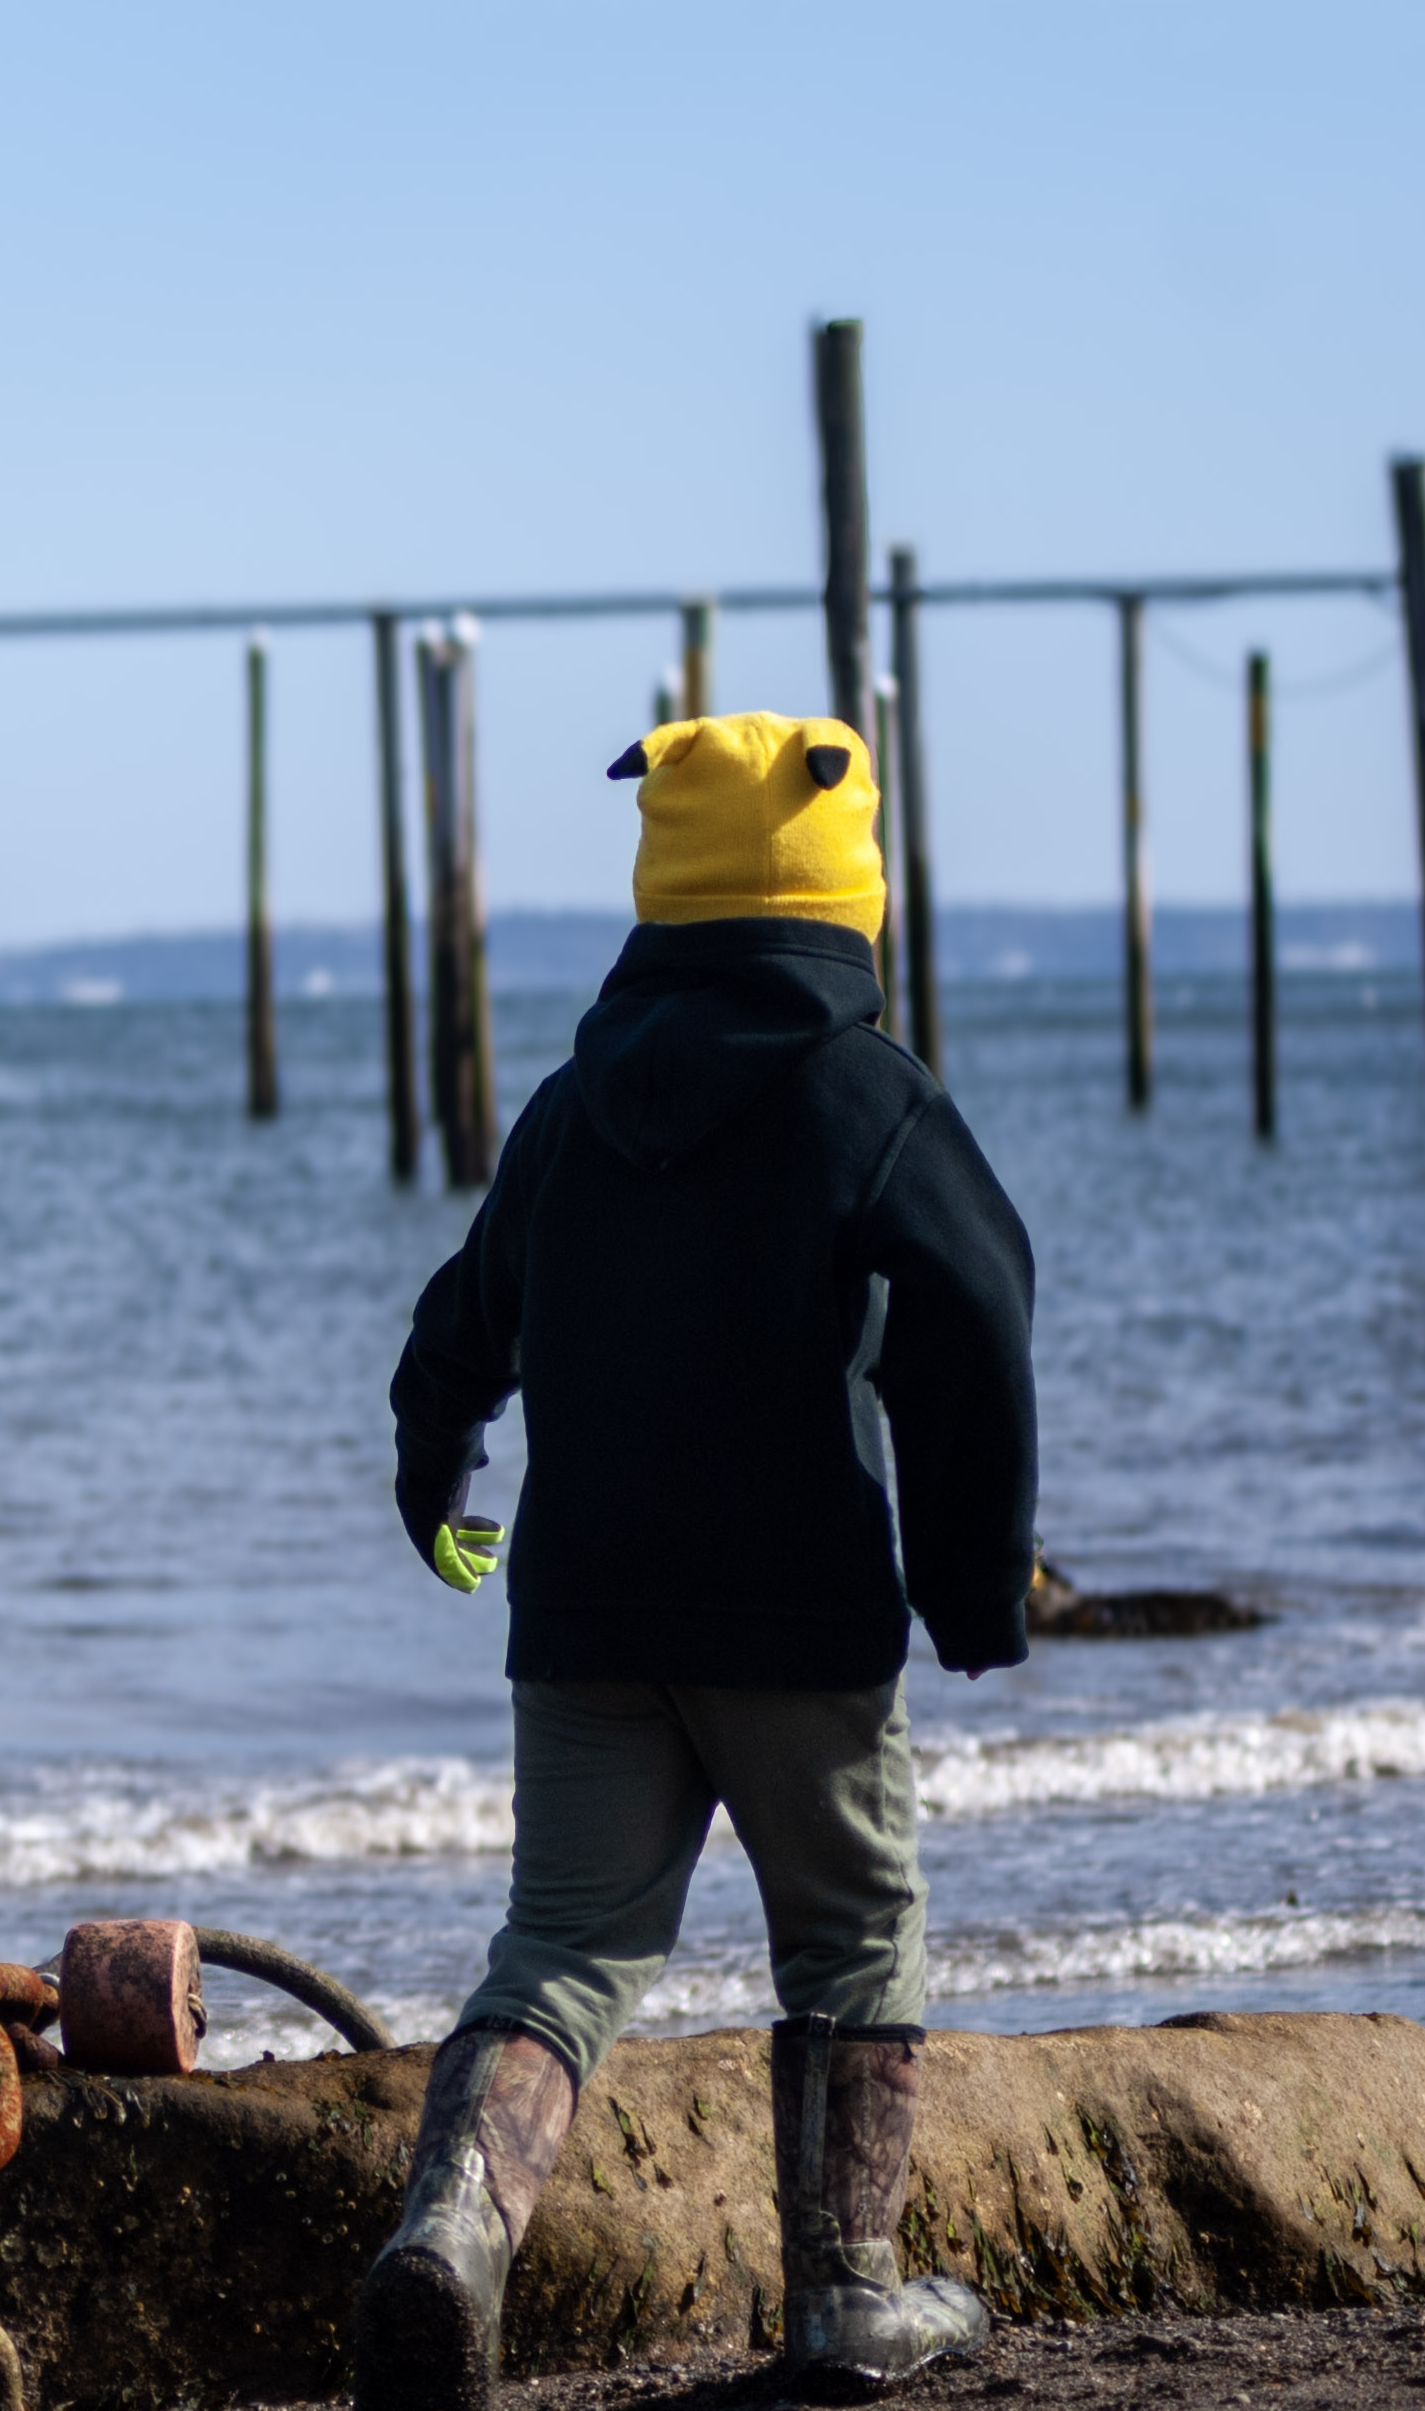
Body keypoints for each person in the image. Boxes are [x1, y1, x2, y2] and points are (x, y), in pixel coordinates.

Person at [354, 710, 1037, 2411]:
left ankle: (451, 2237)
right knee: (855, 1935)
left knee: (564, 1956)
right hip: (798, 1616)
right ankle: (848, 2299)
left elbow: (459, 1328)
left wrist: (437, 1481)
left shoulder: (575, 1109)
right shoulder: (867, 1094)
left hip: (584, 1613)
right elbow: (982, 1306)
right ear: (840, 863)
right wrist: (969, 1582)